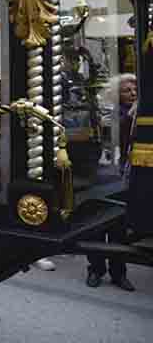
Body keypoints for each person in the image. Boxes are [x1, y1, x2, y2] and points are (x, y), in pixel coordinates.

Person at [86, 74, 137, 291]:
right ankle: (95, 270)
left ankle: (119, 273)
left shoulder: (137, 113)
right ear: (116, 93)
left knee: (119, 227)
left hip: (123, 177)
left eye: (134, 90)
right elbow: (112, 134)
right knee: (96, 226)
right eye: (127, 90)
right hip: (101, 176)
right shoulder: (106, 113)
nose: (133, 94)